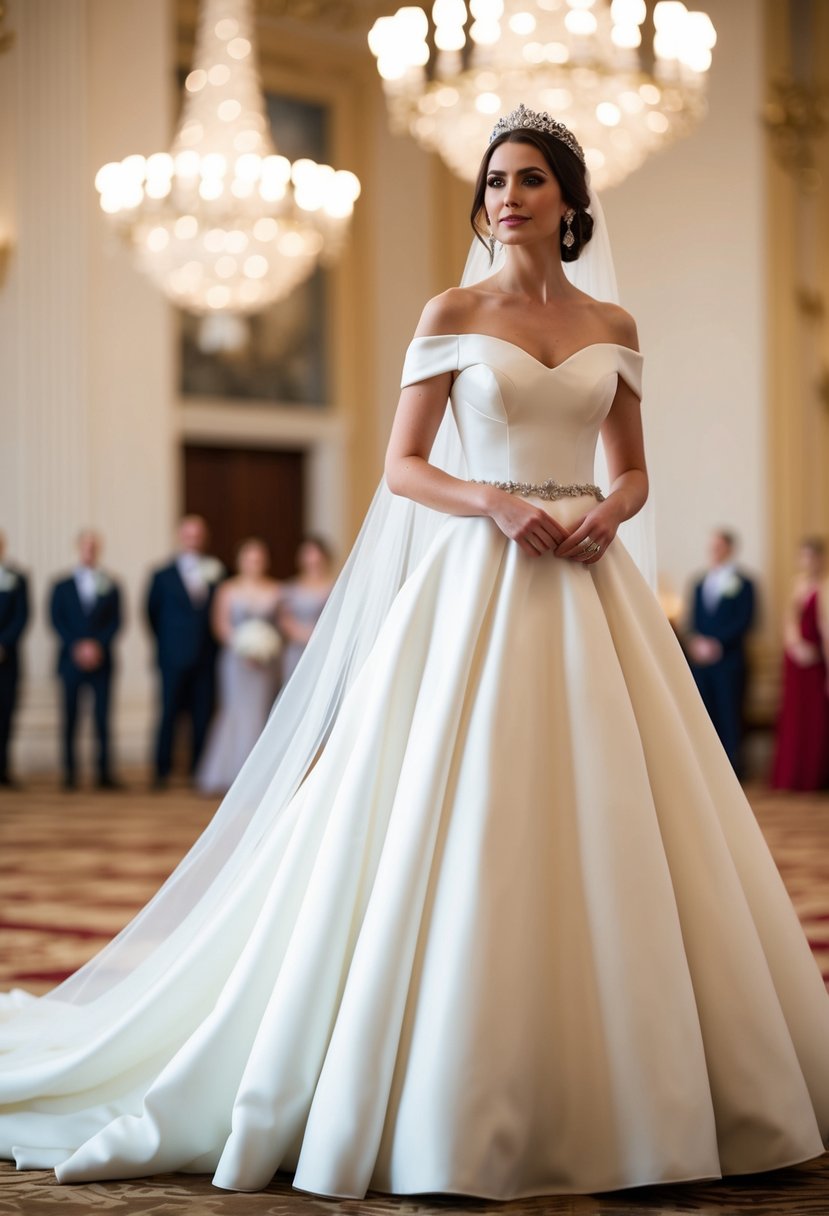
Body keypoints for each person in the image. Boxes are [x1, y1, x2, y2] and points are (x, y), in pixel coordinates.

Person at [2, 105, 829, 1200]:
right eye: (492, 179)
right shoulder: (451, 310)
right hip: (476, 582)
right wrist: (490, 499)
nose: (504, 195)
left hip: (587, 584)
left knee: (622, 814)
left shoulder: (613, 323)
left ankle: (643, 1089)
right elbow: (400, 466)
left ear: (569, 201)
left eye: (528, 178)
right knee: (457, 807)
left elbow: (632, 470)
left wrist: (608, 513)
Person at [195, 538, 283, 796]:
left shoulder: (276, 590)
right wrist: (244, 648)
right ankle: (229, 772)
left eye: (258, 558)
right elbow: (220, 625)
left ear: (264, 561)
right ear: (240, 561)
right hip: (235, 661)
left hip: (266, 663)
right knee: (234, 710)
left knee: (260, 712)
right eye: (249, 558)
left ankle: (260, 775)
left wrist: (264, 649)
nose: (254, 563)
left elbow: (280, 626)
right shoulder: (227, 589)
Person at [146, 515, 225, 789]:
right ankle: (162, 770)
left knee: (202, 714)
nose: (193, 538)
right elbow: (151, 614)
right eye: (188, 533)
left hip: (206, 655)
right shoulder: (161, 575)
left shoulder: (217, 570)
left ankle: (198, 769)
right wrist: (169, 645)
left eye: (198, 534)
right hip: (172, 656)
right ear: (179, 536)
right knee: (168, 713)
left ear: (204, 537)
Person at [48, 530, 123, 791]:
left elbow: (117, 621)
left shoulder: (111, 583)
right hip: (70, 660)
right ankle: (70, 773)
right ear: (78, 548)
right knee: (70, 716)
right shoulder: (61, 585)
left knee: (103, 717)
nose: (89, 551)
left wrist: (97, 645)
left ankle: (104, 773)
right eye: (85, 546)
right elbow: (56, 620)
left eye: (94, 547)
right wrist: (78, 647)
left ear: (98, 550)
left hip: (102, 660)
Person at [687, 529, 756, 775]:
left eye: (719, 546)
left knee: (730, 715)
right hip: (702, 663)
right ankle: (709, 770)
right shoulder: (699, 582)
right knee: (706, 715)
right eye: (711, 546)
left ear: (729, 549)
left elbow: (746, 620)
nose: (714, 551)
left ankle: (732, 770)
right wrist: (696, 642)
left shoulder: (745, 583)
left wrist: (718, 644)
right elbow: (694, 619)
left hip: (730, 661)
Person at [771, 537, 829, 791]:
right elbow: (789, 620)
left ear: (820, 559)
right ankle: (792, 777)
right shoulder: (797, 584)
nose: (807, 562)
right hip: (796, 662)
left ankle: (814, 777)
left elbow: (827, 629)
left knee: (816, 718)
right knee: (794, 716)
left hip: (817, 663)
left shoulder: (826, 587)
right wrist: (795, 645)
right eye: (803, 556)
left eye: (812, 556)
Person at [276, 535, 335, 683]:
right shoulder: (290, 588)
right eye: (308, 554)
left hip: (324, 648)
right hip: (296, 650)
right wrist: (301, 635)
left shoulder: (336, 587)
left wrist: (316, 637)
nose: (312, 560)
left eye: (316, 555)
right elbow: (283, 619)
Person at [0, 531, 30, 789]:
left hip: (7, 658)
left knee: (6, 713)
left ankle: (3, 768)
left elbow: (22, 615)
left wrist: (3, 644)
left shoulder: (17, 578)